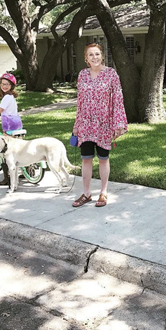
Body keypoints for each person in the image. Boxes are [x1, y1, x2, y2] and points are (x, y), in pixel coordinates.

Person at [71, 43, 128, 208]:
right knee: (86, 159)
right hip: (86, 124)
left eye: (97, 54)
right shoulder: (82, 75)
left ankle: (103, 192)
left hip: (104, 124)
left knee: (103, 159)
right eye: (90, 55)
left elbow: (118, 99)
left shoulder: (111, 74)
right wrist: (77, 124)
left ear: (102, 56)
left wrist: (118, 123)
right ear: (86, 58)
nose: (94, 57)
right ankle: (87, 193)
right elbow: (80, 102)